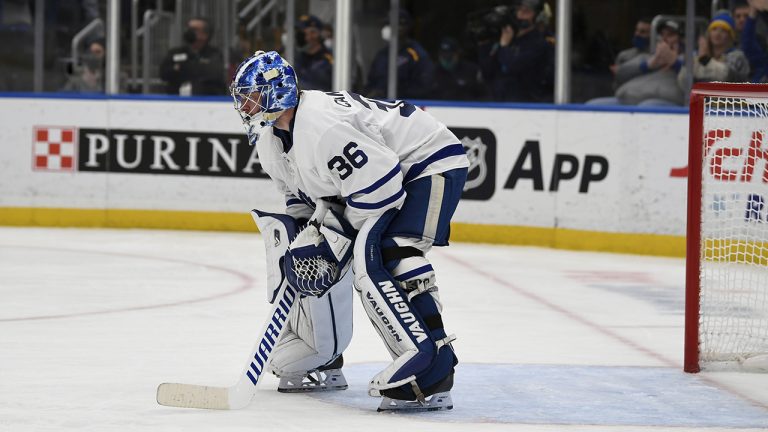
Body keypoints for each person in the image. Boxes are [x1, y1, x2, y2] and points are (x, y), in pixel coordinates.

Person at [230, 50, 468, 410]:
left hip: (426, 162)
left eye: (252, 95)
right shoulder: (269, 140)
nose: (246, 105)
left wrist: (332, 241)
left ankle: (434, 368)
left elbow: (383, 189)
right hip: (382, 177)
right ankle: (322, 353)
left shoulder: (323, 126)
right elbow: (301, 200)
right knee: (304, 249)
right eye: (243, 97)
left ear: (277, 93)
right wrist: (312, 240)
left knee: (391, 251)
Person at [587, 19, 685, 106]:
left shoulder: (689, 60)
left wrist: (675, 63)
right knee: (592, 106)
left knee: (647, 107)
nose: (664, 39)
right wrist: (648, 65)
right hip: (626, 101)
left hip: (662, 105)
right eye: (662, 34)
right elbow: (619, 76)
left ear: (681, 39)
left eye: (670, 35)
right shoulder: (647, 57)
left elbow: (695, 83)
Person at [477, 0, 553, 102]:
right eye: (519, 11)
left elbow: (512, 66)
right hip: (499, 103)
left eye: (526, 12)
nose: (520, 15)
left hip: (527, 105)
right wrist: (484, 44)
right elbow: (487, 72)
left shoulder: (540, 44)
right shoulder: (508, 39)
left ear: (537, 17)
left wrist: (504, 46)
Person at [365, 9, 435, 99]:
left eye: (389, 25)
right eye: (386, 25)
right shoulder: (382, 54)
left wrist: (393, 92)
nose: (386, 28)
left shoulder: (416, 54)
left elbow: (423, 87)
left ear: (403, 27)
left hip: (403, 107)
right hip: (379, 107)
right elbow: (371, 83)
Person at [159, 17, 226, 96]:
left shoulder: (214, 53)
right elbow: (164, 73)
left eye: (194, 29)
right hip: (176, 100)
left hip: (206, 100)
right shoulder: (175, 52)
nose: (189, 31)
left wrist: (181, 68)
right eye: (188, 28)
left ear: (205, 35)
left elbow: (213, 74)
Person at [678, 12, 749, 86]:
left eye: (723, 30)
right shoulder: (698, 55)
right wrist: (688, 64)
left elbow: (727, 77)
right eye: (714, 29)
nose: (718, 33)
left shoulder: (737, 56)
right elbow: (684, 84)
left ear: (730, 35)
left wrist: (705, 60)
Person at [430, 36, 485, 100]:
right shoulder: (432, 72)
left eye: (449, 57)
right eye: (443, 56)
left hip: (466, 108)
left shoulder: (471, 71)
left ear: (457, 54)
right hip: (437, 109)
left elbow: (484, 96)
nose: (446, 60)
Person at [293, 15, 334, 91]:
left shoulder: (329, 61)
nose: (306, 37)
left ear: (318, 34)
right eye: (303, 33)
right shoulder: (296, 58)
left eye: (311, 32)